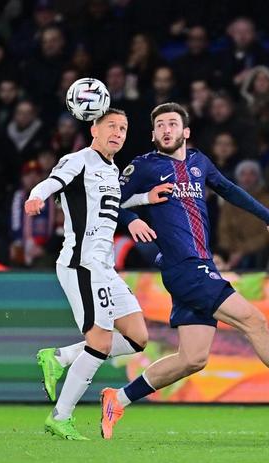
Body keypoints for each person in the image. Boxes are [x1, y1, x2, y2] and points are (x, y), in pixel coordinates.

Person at [99, 103, 269, 440]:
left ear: (186, 131)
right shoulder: (143, 166)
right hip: (185, 268)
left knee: (192, 358)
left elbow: (229, 189)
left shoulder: (199, 162)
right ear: (153, 134)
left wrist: (268, 217)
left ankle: (118, 399)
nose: (166, 129)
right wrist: (132, 218)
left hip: (201, 265)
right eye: (160, 125)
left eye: (173, 123)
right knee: (254, 321)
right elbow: (108, 201)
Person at [23, 108, 167, 440]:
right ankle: (61, 417)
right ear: (94, 130)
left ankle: (60, 357)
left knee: (137, 337)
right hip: (81, 264)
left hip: (104, 267)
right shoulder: (79, 160)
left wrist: (145, 198)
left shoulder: (111, 169)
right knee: (100, 342)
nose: (118, 133)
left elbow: (112, 205)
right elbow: (52, 182)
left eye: (123, 128)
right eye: (111, 126)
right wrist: (35, 197)